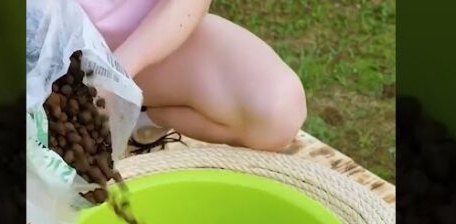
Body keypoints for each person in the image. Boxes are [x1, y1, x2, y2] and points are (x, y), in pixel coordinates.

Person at [75, 0, 307, 152]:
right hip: (53, 59)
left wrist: (115, 72)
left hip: (149, 44)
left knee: (278, 111)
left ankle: (144, 121)